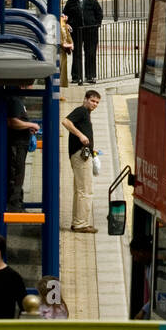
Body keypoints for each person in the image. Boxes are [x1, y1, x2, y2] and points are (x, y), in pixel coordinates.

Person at [62, 89, 101, 234]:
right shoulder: (81, 111)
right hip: (80, 155)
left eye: (97, 102)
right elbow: (65, 121)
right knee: (85, 190)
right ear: (85, 99)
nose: (94, 104)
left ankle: (78, 222)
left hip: (81, 154)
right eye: (92, 100)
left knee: (80, 190)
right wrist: (80, 135)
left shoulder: (86, 114)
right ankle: (81, 224)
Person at [6, 83, 39, 212]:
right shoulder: (15, 100)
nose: (32, 88)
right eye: (30, 84)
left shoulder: (19, 101)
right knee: (16, 175)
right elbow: (12, 122)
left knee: (19, 174)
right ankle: (14, 206)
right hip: (16, 144)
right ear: (22, 85)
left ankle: (17, 203)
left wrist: (27, 127)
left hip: (21, 144)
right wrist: (32, 124)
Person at [64, 0, 103, 85]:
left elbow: (99, 13)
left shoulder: (91, 0)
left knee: (90, 53)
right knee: (76, 53)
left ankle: (90, 76)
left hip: (90, 30)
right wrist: (67, 23)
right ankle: (76, 76)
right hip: (76, 31)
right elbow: (65, 14)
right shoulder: (71, 1)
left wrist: (97, 24)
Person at [59, 13, 74, 89]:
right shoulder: (59, 26)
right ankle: (61, 84)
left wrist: (71, 43)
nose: (66, 17)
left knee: (63, 66)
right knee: (61, 66)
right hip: (60, 49)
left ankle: (62, 84)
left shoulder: (64, 25)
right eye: (63, 16)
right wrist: (67, 45)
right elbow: (60, 40)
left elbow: (68, 36)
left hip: (64, 50)